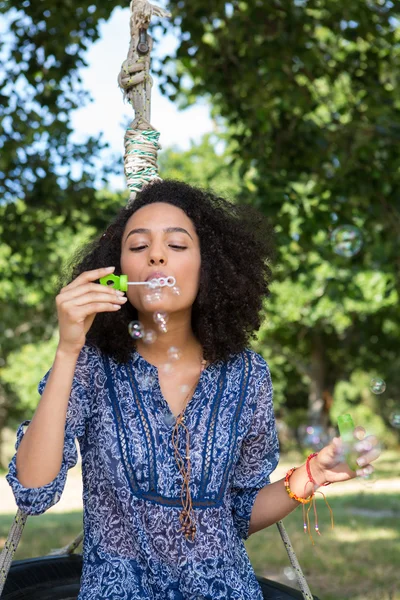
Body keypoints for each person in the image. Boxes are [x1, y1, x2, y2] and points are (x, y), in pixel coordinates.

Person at [6, 179, 380, 600]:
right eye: (138, 246)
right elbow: (34, 491)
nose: (157, 254)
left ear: (210, 266)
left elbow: (238, 513)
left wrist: (313, 475)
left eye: (178, 245)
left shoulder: (247, 374)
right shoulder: (90, 365)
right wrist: (68, 347)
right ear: (118, 271)